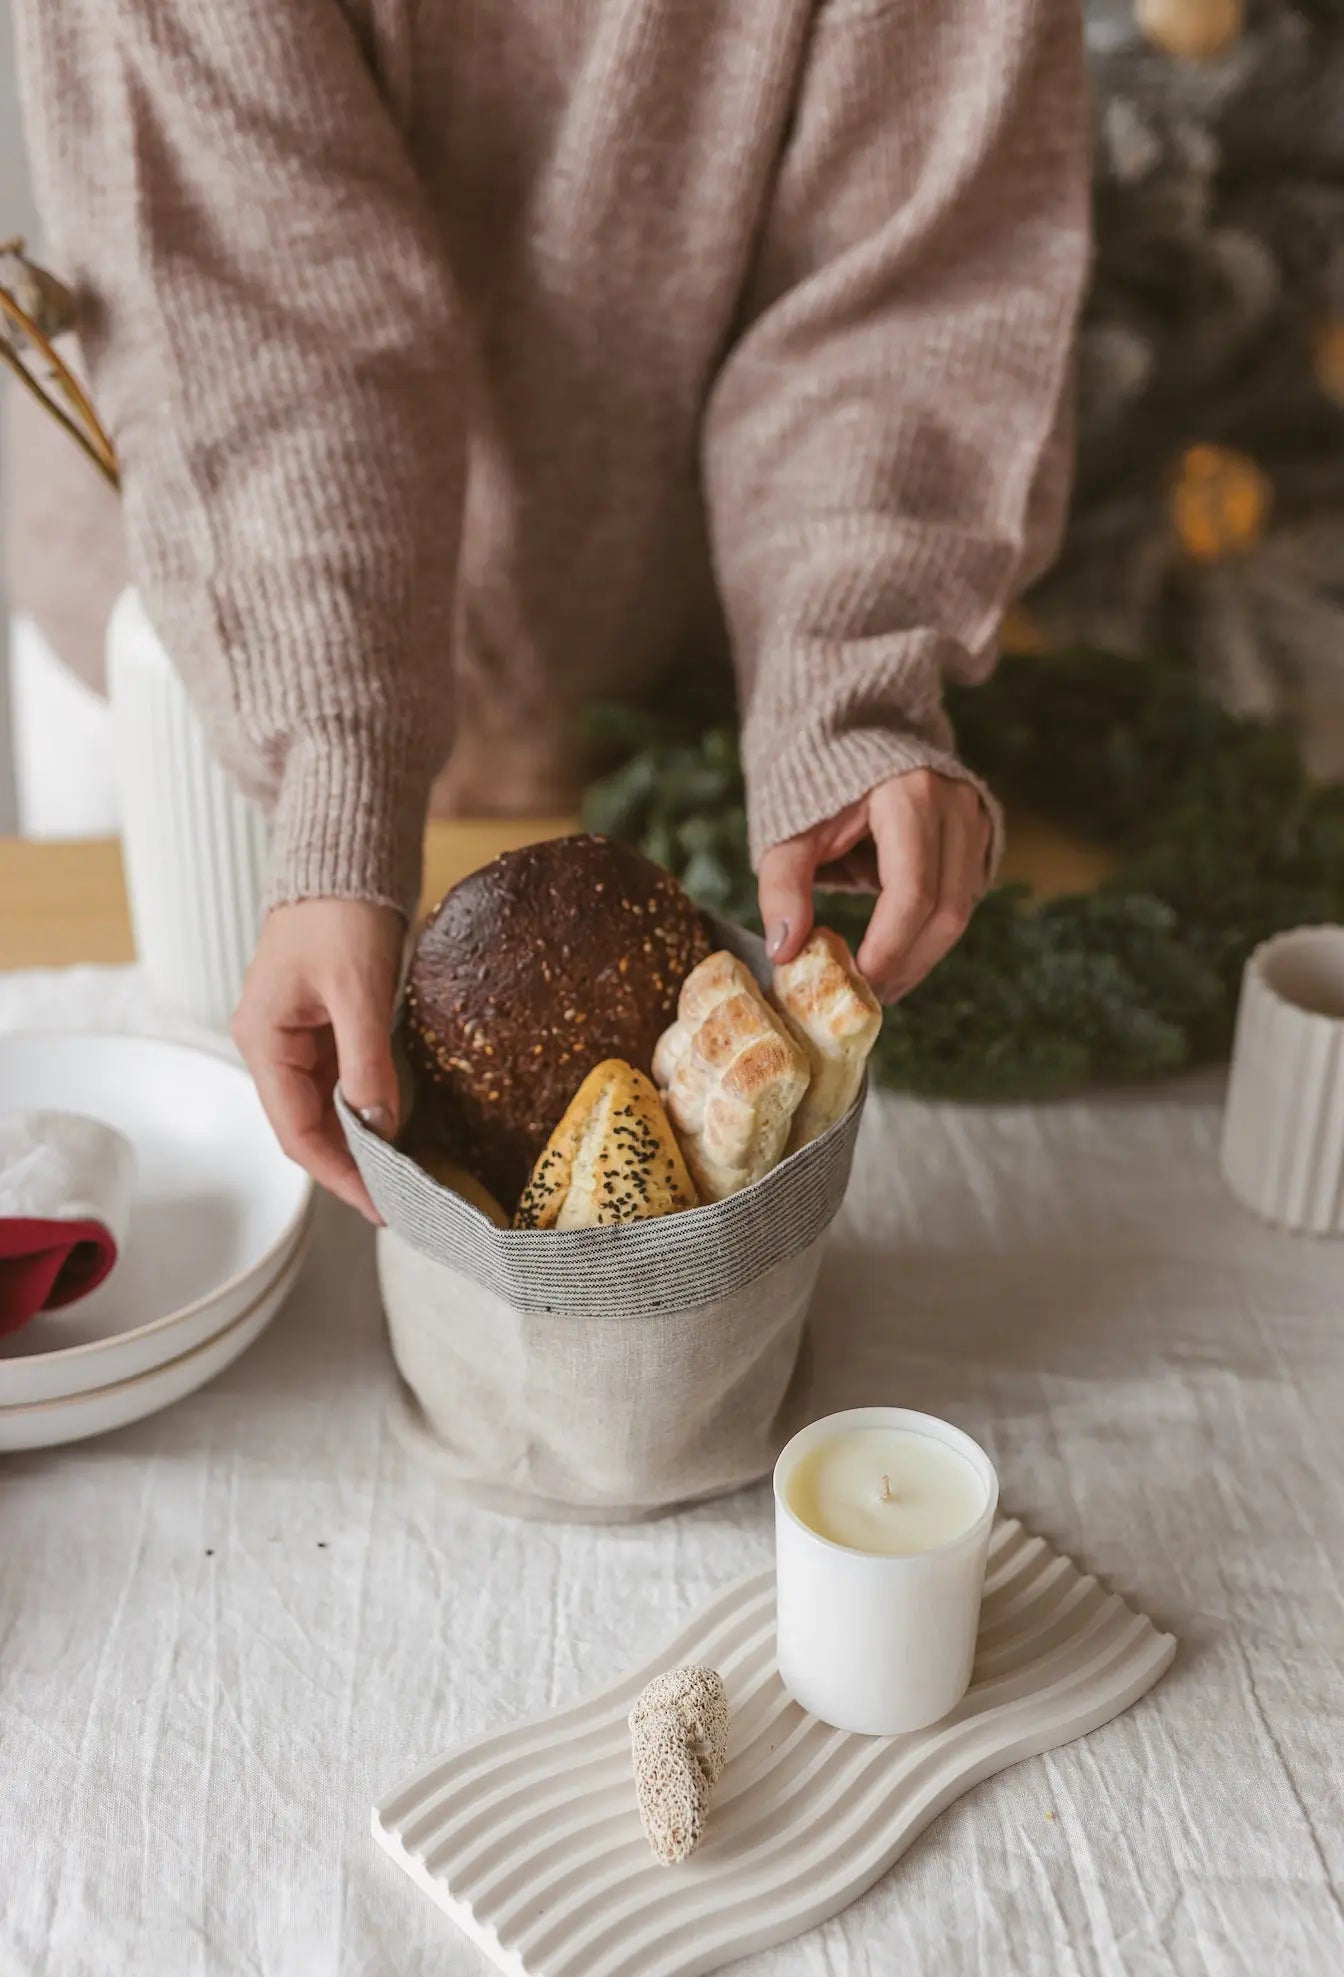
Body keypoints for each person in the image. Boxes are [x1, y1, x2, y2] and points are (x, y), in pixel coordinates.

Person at [12, 0, 1090, 1221]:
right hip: (214, 653)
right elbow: (268, 296)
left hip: (671, 663)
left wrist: (847, 672)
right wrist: (335, 774)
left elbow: (897, 299)